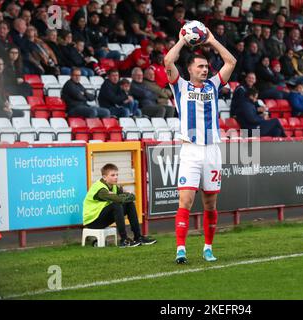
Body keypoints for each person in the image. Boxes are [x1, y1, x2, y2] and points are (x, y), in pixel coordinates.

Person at [164, 27, 236, 264]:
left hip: (212, 150)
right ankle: (180, 249)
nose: (205, 70)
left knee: (210, 203)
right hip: (190, 151)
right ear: (189, 69)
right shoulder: (180, 86)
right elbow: (168, 59)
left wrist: (213, 41)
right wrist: (183, 40)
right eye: (200, 67)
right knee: (185, 201)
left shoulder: (214, 85)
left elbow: (231, 61)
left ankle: (207, 247)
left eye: (206, 67)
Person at [83, 163, 157, 247]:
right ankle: (124, 239)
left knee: (129, 204)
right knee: (116, 205)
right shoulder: (100, 189)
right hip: (93, 221)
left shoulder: (114, 187)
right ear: (104, 177)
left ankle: (138, 237)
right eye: (113, 175)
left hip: (102, 217)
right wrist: (122, 196)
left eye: (117, 175)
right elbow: (119, 199)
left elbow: (132, 197)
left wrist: (122, 196)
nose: (116, 177)